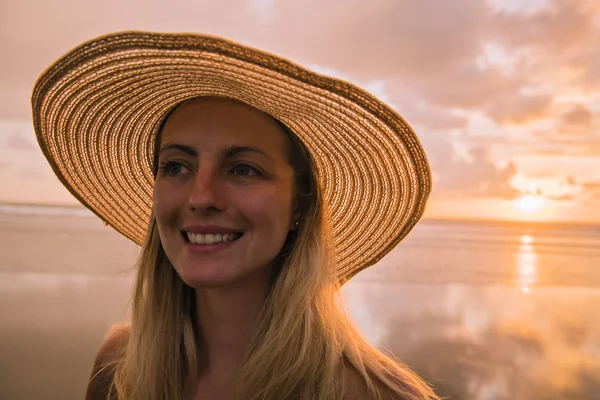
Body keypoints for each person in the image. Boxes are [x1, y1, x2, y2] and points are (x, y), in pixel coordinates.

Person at [32, 31, 439, 400]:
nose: (202, 196)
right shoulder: (120, 368)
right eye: (175, 166)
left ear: (299, 205)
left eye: (243, 169)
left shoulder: (375, 395)